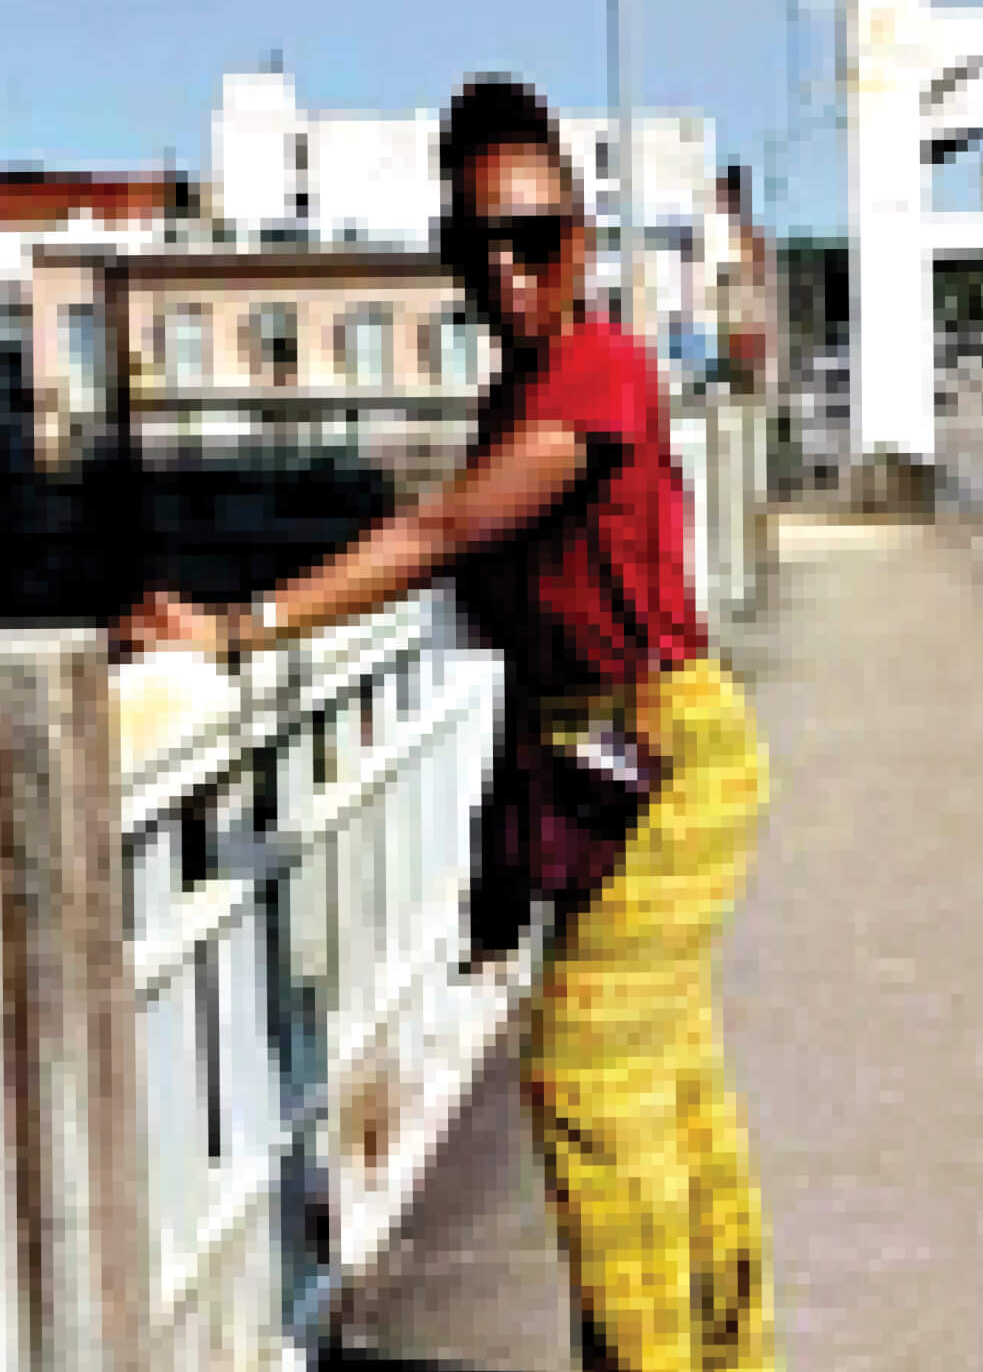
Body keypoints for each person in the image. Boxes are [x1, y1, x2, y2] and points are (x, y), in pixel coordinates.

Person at [113, 75, 778, 1372]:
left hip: (669, 759)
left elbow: (438, 529)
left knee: (586, 1078)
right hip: (601, 761)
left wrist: (238, 630)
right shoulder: (521, 395)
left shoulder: (601, 373)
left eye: (536, 239)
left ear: (582, 245)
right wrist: (492, 851)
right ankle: (724, 1352)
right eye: (480, 244)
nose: (510, 268)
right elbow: (533, 656)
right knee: (666, 1081)